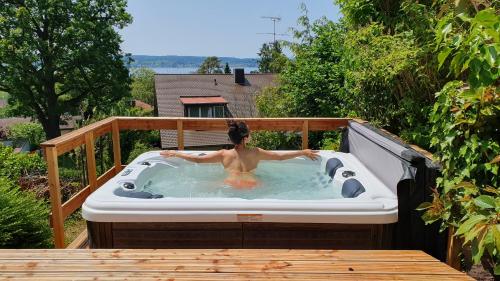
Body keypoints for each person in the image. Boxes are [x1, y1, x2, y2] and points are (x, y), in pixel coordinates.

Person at [160, 121, 319, 189]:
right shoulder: (256, 153)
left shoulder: (223, 154)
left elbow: (197, 160)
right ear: (245, 137)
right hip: (252, 184)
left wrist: (176, 153)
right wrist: (302, 151)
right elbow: (279, 157)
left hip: (230, 183)